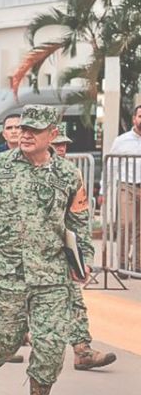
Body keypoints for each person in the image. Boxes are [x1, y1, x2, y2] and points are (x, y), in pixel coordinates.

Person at [0, 105, 93, 395]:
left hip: (51, 273)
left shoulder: (68, 175)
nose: (26, 134)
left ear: (53, 134)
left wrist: (84, 260)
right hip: (6, 270)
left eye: (35, 130)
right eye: (23, 129)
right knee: (2, 342)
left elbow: (79, 224)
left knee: (50, 344)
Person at [50, 127, 116, 370]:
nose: (62, 149)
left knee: (74, 297)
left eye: (64, 144)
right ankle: (9, 343)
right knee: (18, 306)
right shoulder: (21, 172)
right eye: (56, 144)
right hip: (26, 253)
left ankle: (82, 350)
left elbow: (80, 219)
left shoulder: (71, 175)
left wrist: (84, 257)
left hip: (61, 248)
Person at [107, 104, 141, 273]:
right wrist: (102, 191)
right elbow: (111, 165)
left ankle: (137, 266)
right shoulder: (122, 141)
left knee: (140, 228)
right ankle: (121, 263)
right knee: (125, 224)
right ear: (134, 119)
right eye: (140, 116)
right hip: (127, 186)